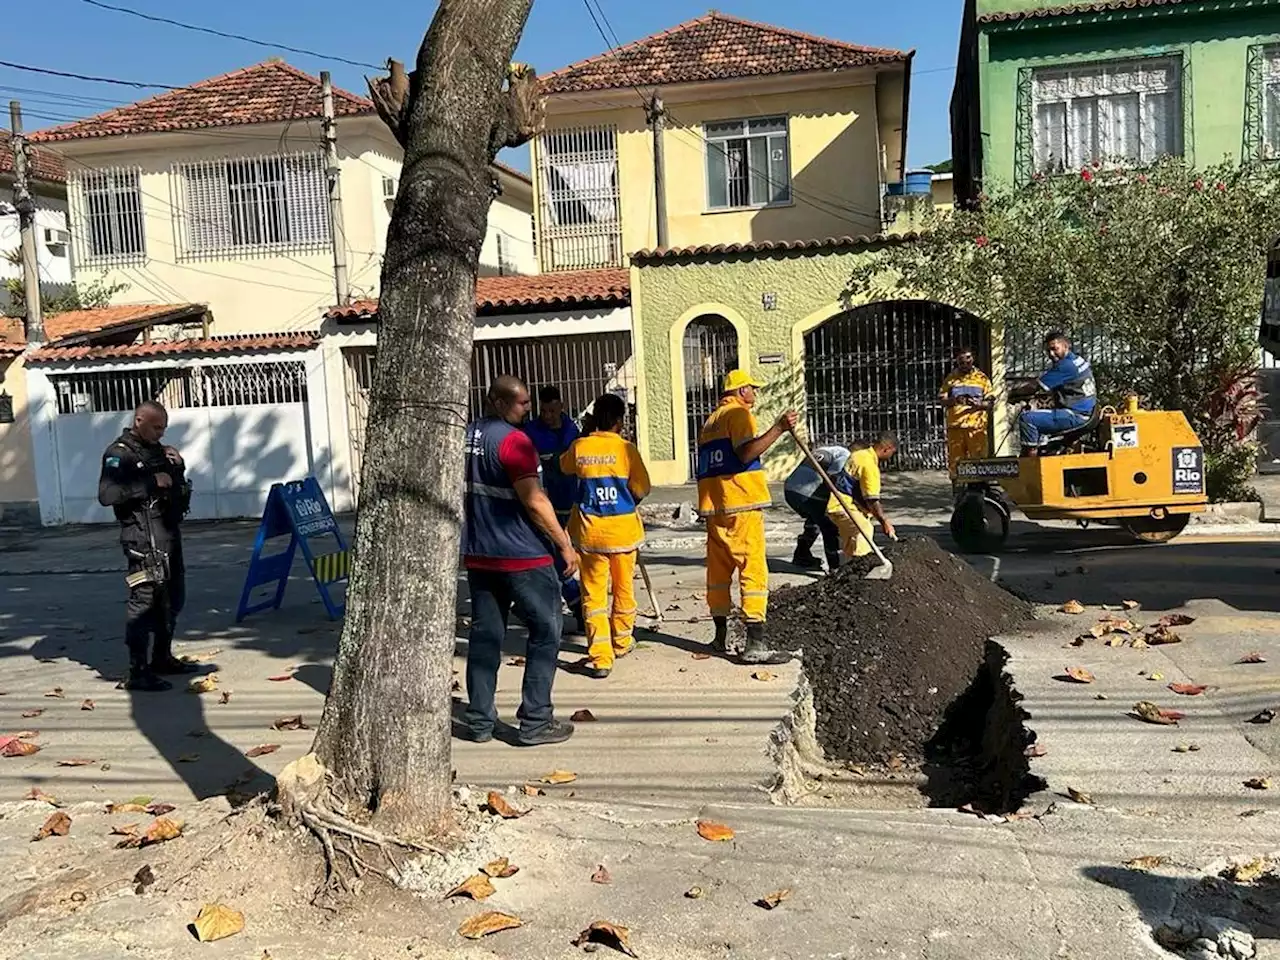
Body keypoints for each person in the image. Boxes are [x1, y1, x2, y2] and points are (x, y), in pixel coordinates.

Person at [462, 375, 579, 747]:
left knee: (485, 637)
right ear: (497, 401)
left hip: (480, 555)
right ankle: (535, 721)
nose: (528, 409)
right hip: (523, 555)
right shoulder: (514, 442)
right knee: (546, 631)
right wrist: (564, 545)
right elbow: (534, 500)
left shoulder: (464, 436)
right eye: (522, 403)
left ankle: (480, 720)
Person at [695, 369, 797, 665]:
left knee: (718, 572)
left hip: (716, 507)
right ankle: (755, 643)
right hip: (741, 504)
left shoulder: (710, 421)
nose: (755, 394)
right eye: (752, 388)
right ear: (741, 391)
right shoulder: (739, 415)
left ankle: (719, 637)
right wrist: (778, 428)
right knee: (753, 571)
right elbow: (745, 453)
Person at [97, 400, 195, 692]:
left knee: (173, 597)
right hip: (141, 538)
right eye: (156, 427)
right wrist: (150, 483)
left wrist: (178, 465)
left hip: (167, 534)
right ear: (139, 420)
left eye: (164, 428)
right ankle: (138, 671)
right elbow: (107, 495)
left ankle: (162, 658)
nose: (161, 434)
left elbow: (173, 485)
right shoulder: (119, 454)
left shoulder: (156, 451)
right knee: (144, 602)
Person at [559, 393, 651, 679]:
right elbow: (643, 487)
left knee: (594, 596)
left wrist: (586, 435)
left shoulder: (580, 447)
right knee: (624, 590)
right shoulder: (626, 450)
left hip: (591, 534)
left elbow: (564, 466)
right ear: (620, 421)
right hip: (622, 533)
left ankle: (600, 657)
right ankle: (622, 641)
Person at [522, 385, 585, 633]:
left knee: (571, 557)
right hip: (544, 504)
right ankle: (576, 603)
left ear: (561, 406)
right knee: (557, 555)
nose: (548, 415)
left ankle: (579, 604)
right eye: (544, 411)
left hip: (571, 502)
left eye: (552, 410)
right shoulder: (531, 433)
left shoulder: (572, 429)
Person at [1010, 331, 1097, 454]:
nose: (1051, 354)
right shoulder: (1077, 359)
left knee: (1027, 419)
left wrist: (1013, 393)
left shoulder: (1065, 366)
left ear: (1066, 345)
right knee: (1039, 416)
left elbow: (1035, 386)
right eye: (1048, 351)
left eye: (1055, 349)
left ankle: (1028, 465)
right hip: (1086, 413)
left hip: (1075, 415)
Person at [828, 432, 898, 559]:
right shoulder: (869, 465)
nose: (891, 456)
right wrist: (884, 521)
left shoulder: (859, 455)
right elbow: (872, 500)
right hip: (843, 506)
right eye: (892, 453)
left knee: (852, 542)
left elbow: (855, 488)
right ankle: (862, 568)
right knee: (864, 529)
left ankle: (848, 571)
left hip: (838, 505)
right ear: (886, 449)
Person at [782, 443, 850, 573]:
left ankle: (802, 555)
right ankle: (836, 568)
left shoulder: (823, 451)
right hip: (808, 493)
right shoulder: (845, 455)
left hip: (790, 491)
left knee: (814, 520)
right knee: (830, 526)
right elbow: (833, 479)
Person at [939, 346, 993, 477]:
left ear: (973, 359)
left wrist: (979, 404)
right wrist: (955, 400)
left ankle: (978, 491)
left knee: (978, 462)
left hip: (976, 429)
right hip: (956, 428)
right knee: (956, 464)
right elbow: (942, 400)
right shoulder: (951, 379)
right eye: (961, 362)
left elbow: (990, 402)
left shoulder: (982, 379)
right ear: (957, 361)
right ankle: (958, 492)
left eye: (967, 361)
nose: (964, 364)